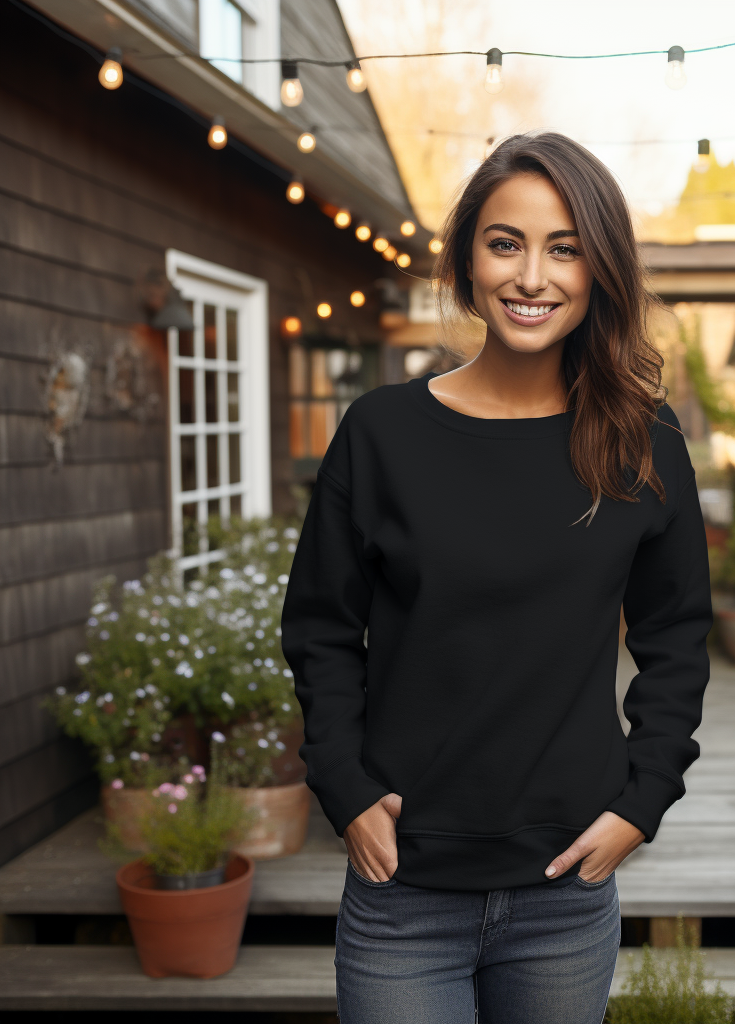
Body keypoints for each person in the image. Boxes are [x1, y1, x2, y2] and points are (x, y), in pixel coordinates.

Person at [280, 130, 712, 1024]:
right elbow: (321, 628)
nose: (532, 277)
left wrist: (645, 799)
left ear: (600, 272)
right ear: (468, 259)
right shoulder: (381, 434)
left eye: (566, 249)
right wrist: (345, 788)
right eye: (506, 243)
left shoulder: (643, 440)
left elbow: (677, 636)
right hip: (404, 891)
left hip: (565, 895)